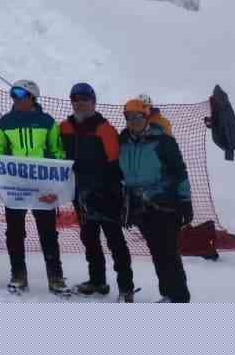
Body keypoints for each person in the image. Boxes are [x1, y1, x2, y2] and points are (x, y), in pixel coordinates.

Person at [0, 79, 66, 293]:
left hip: (42, 185)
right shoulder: (5, 122)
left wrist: (55, 171)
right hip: (15, 186)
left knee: (48, 232)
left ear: (32, 97)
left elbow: (56, 150)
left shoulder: (47, 122)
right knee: (14, 232)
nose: (16, 99)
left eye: (21, 94)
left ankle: (56, 277)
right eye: (13, 95)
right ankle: (18, 275)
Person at [61, 82, 135, 300]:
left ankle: (126, 288)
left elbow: (115, 164)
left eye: (85, 99)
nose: (80, 104)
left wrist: (108, 193)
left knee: (115, 242)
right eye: (75, 99)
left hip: (105, 195)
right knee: (89, 240)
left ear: (93, 102)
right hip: (80, 196)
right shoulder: (64, 128)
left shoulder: (105, 129)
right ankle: (97, 281)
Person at [121, 97, 193, 303]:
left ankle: (179, 297)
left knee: (169, 253)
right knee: (157, 252)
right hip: (140, 206)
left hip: (165, 205)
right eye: (129, 117)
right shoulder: (124, 142)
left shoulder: (163, 141)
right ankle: (168, 294)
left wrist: (185, 202)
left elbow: (179, 172)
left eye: (138, 117)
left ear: (146, 117)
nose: (133, 121)